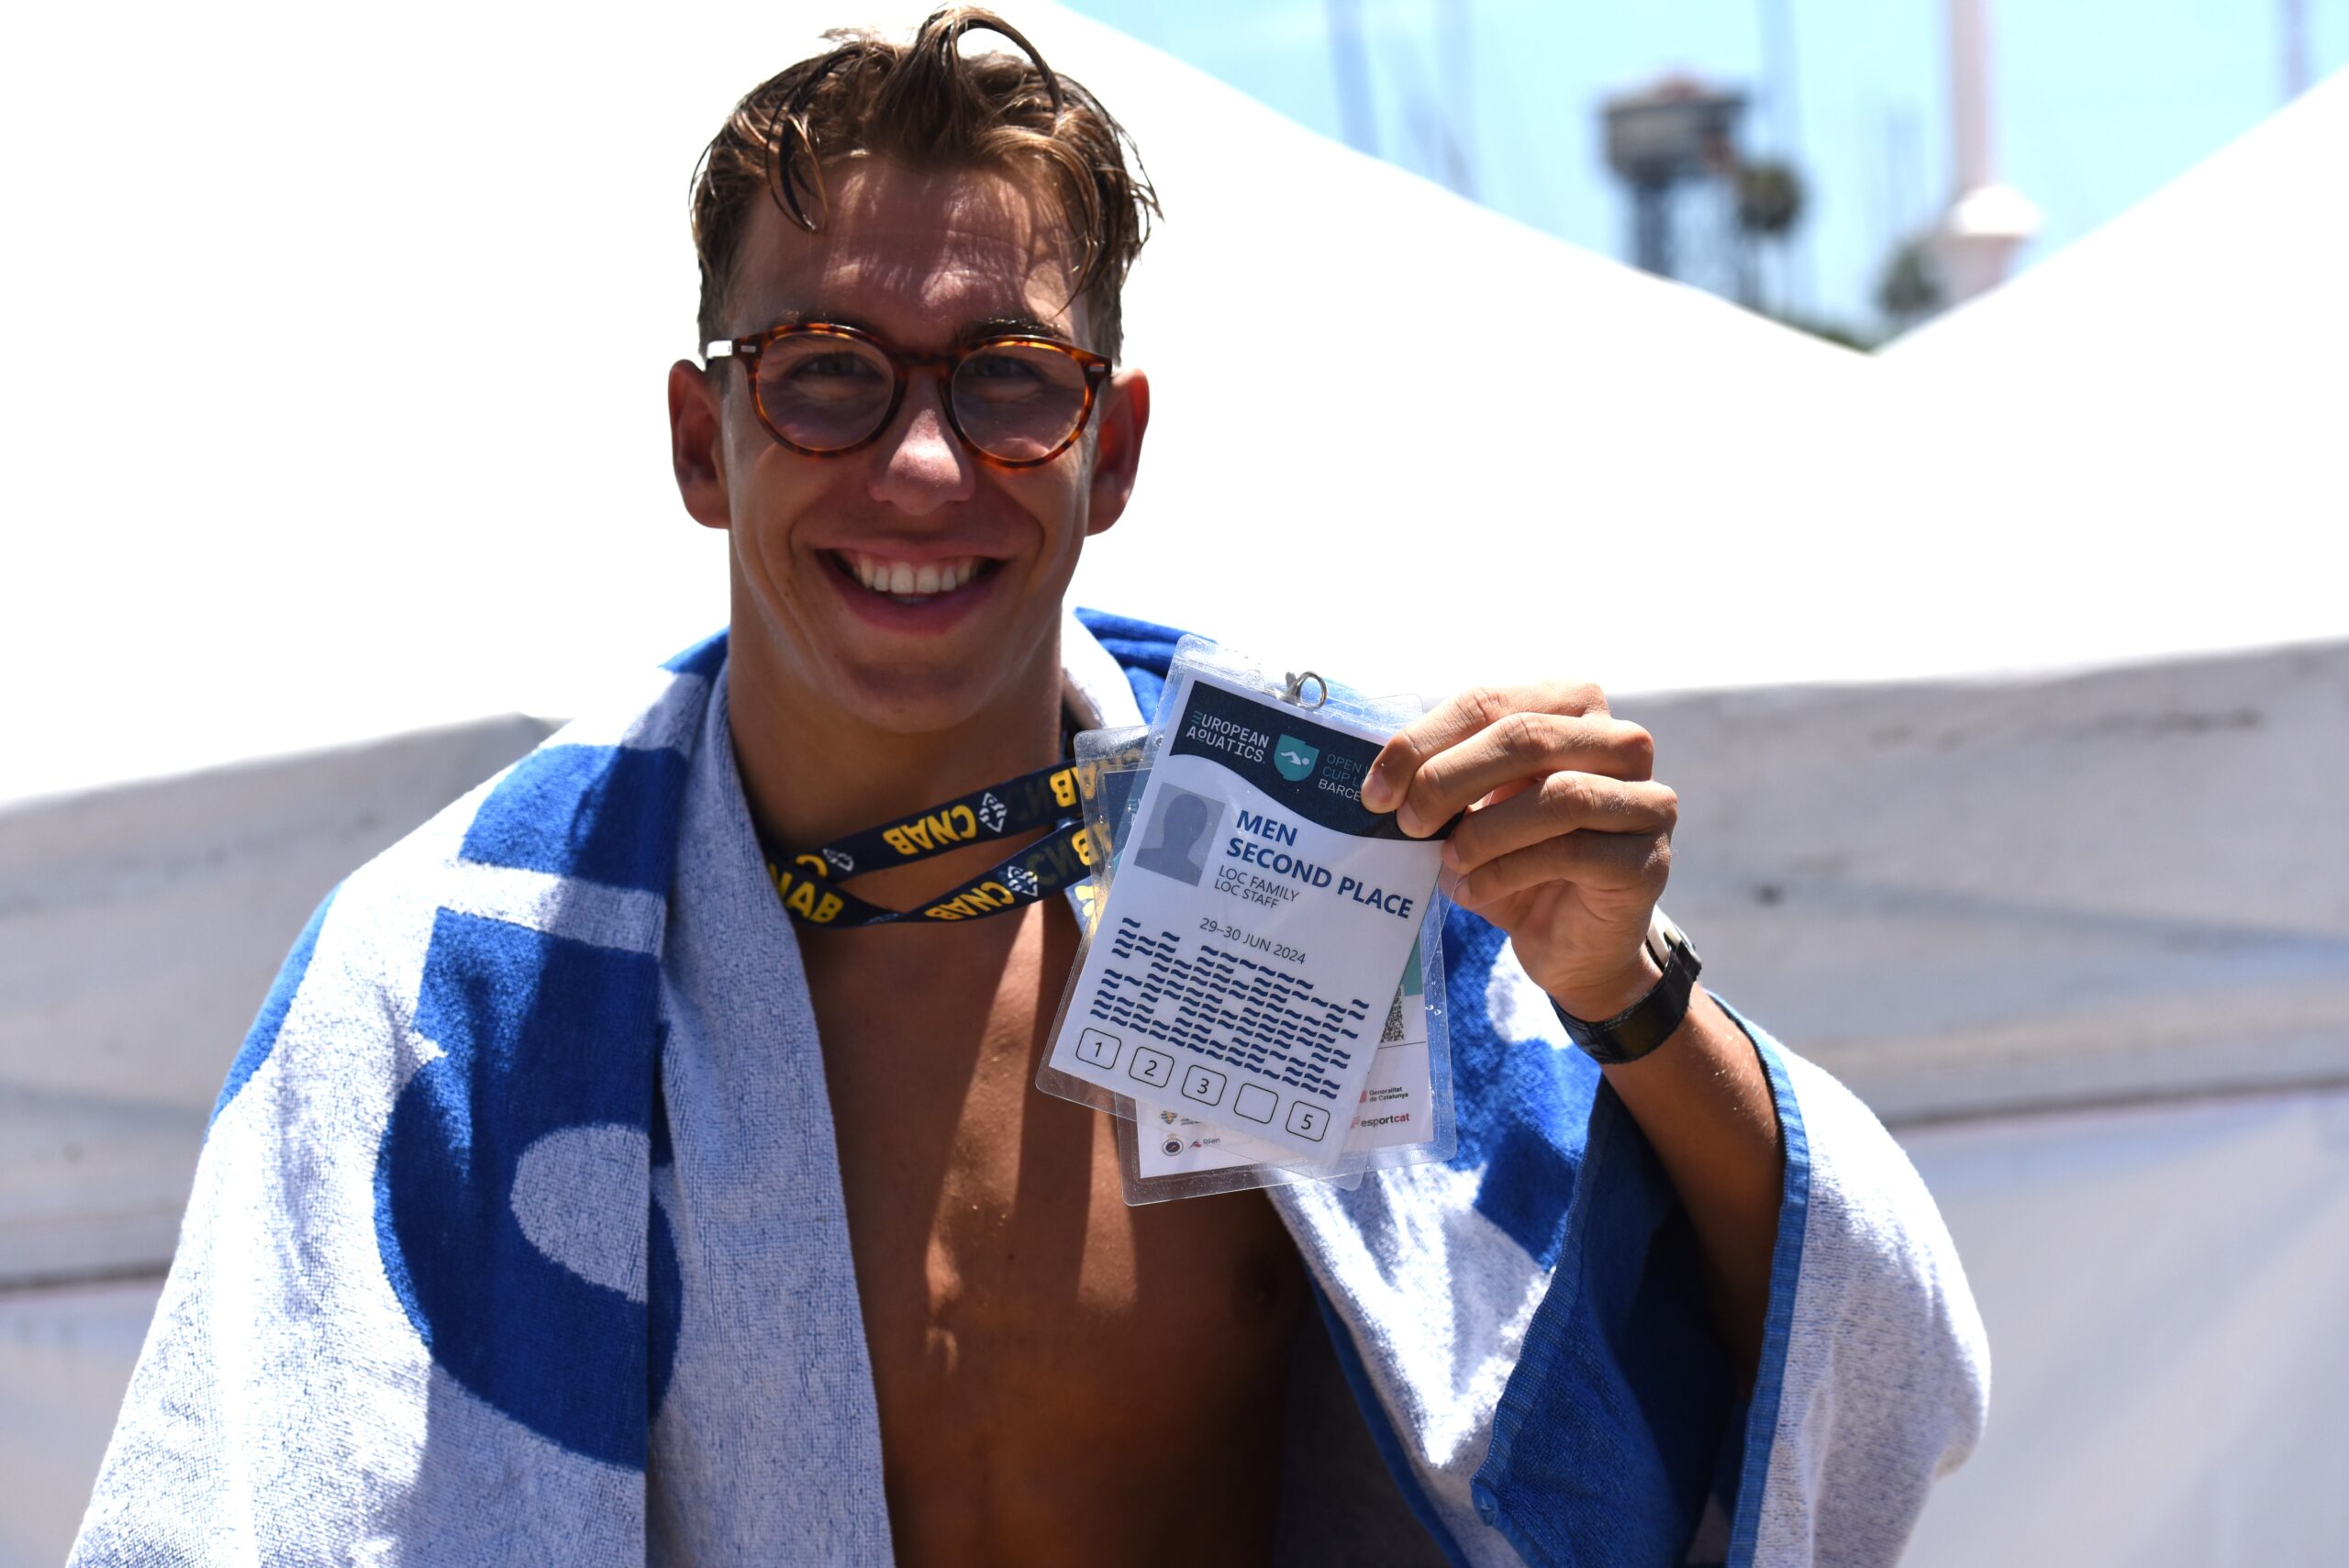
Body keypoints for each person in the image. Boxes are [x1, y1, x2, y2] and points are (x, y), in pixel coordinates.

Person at [72, 10, 1987, 1566]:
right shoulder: (455, 980)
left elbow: (1850, 1370)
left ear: (1110, 447)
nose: (920, 467)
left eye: (1005, 380)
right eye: (825, 373)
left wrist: (1623, 994)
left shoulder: (1330, 864)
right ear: (703, 440)